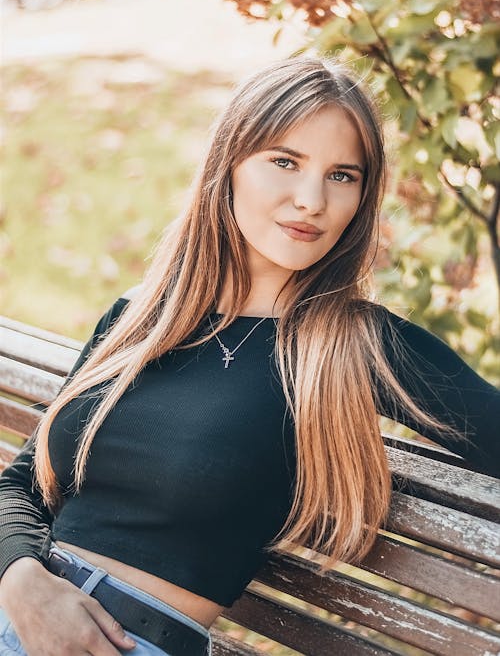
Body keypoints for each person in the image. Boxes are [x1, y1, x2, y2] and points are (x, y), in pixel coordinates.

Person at [0, 56, 498, 656]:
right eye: (285, 162)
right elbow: (22, 485)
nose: (311, 199)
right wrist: (24, 584)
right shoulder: (141, 316)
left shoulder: (354, 345)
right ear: (228, 166)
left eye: (343, 175)